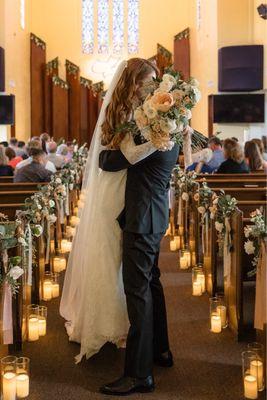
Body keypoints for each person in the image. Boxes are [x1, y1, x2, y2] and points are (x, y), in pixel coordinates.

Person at [60, 60, 177, 396]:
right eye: (149, 82)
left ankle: (140, 375)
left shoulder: (156, 128)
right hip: (152, 214)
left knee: (137, 293)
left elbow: (117, 159)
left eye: (156, 83)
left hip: (142, 217)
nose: (153, 89)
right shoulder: (167, 124)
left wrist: (114, 148)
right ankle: (161, 351)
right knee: (151, 285)